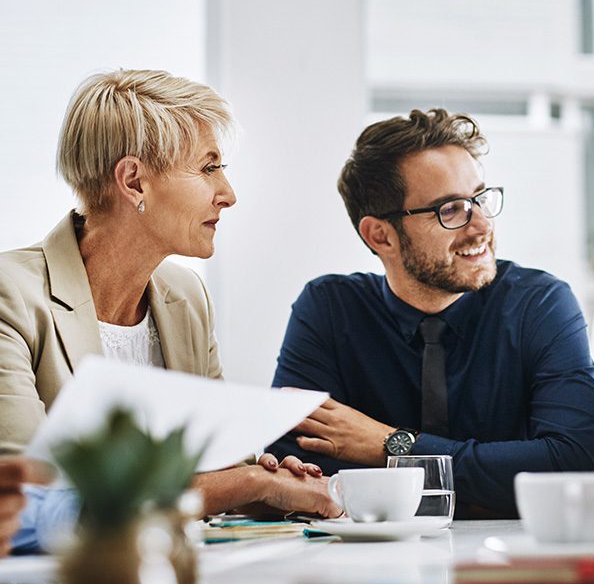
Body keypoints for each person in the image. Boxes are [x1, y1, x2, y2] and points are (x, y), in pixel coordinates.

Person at [0, 69, 339, 550]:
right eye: (208, 168)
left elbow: (218, 469)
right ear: (134, 181)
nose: (229, 193)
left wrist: (264, 488)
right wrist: (246, 485)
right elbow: (23, 498)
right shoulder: (10, 294)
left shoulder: (186, 298)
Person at [267, 108, 594, 518]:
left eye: (480, 199)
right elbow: (296, 472)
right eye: (451, 209)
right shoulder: (328, 309)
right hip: (366, 567)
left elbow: (575, 466)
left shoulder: (539, 304)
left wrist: (388, 444)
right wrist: (492, 475)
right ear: (381, 236)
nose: (481, 226)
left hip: (508, 565)